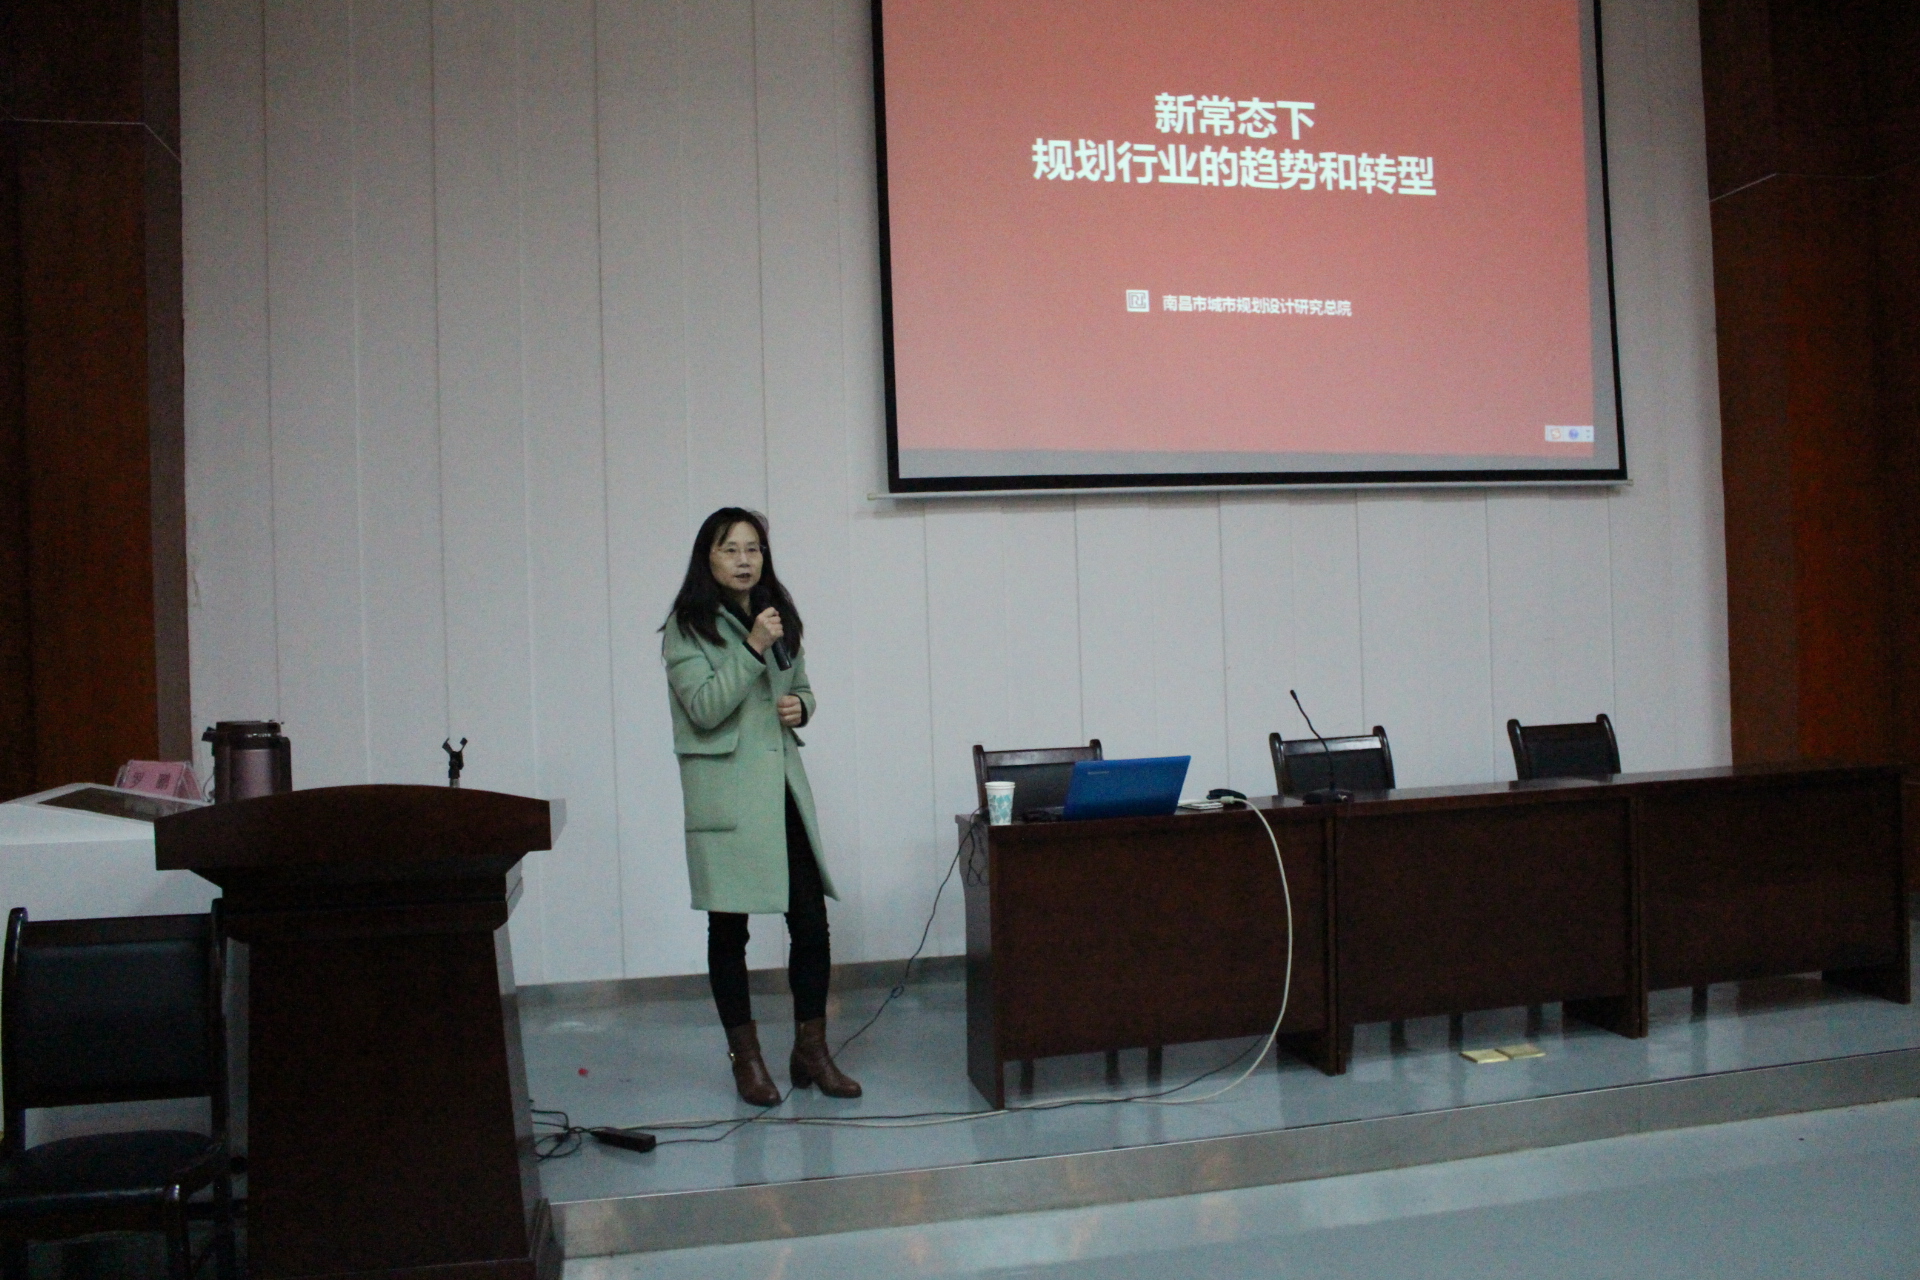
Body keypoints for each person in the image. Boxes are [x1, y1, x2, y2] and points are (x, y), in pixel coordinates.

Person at [661, 508, 861, 1105]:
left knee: (811, 922)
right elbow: (704, 708)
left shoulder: (777, 616)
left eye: (754, 549)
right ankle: (746, 1061)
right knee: (729, 929)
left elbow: (800, 687)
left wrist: (803, 707)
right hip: (726, 796)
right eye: (731, 550)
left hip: (780, 790)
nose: (745, 561)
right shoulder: (687, 627)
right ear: (708, 558)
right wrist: (751, 647)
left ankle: (812, 1050)